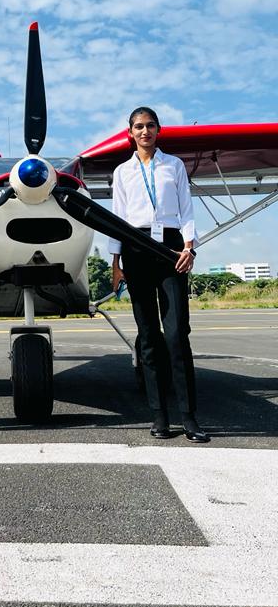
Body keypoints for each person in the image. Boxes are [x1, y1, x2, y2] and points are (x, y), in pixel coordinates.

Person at [110, 106, 209, 443]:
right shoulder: (122, 172)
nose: (145, 131)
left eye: (151, 125)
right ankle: (159, 416)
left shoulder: (174, 166)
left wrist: (188, 247)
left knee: (176, 334)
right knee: (149, 337)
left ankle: (189, 417)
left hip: (170, 248)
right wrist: (115, 262)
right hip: (136, 247)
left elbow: (187, 208)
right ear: (130, 132)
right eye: (139, 126)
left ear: (158, 130)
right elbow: (117, 218)